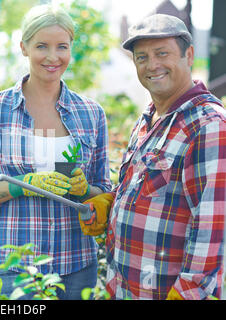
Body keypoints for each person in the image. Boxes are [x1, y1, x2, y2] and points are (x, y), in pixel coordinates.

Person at [0, 4, 111, 300]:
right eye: (42, 46)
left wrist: (87, 189)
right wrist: (18, 186)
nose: (53, 57)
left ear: (70, 48)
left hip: (77, 266)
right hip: (14, 268)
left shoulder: (91, 113)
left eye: (61, 47)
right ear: (24, 47)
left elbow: (105, 190)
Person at [80, 14, 226, 300]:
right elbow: (151, 192)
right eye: (142, 57)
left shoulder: (208, 125)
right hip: (124, 289)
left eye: (162, 53)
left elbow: (213, 226)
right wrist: (110, 205)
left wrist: (185, 294)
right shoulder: (150, 118)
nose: (152, 65)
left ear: (189, 55)